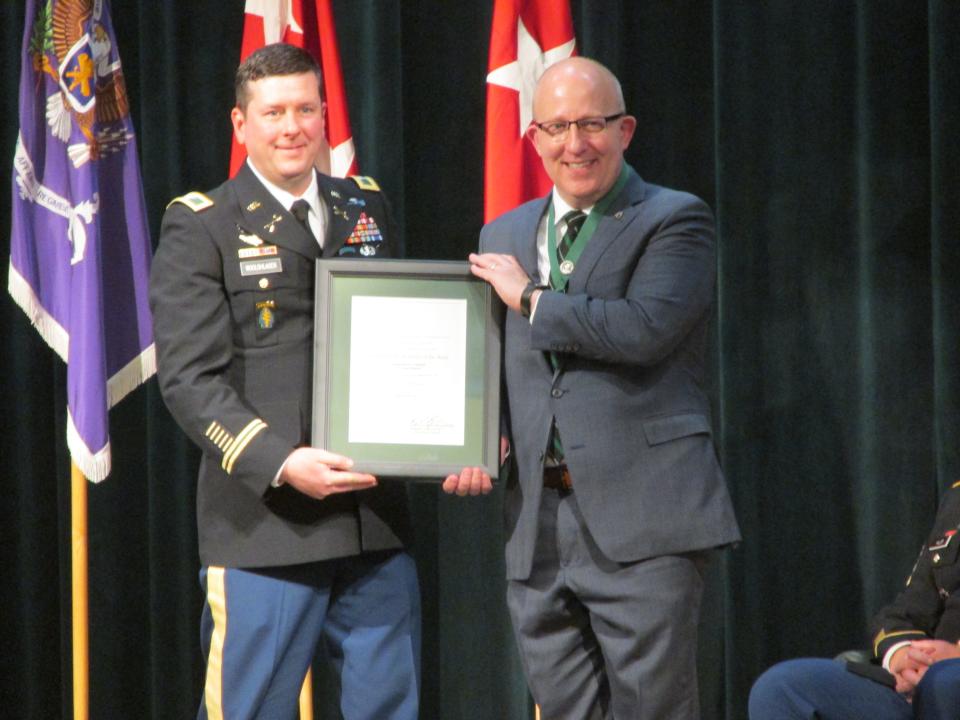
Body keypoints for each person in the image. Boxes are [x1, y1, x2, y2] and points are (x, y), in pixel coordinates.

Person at [443, 57, 741, 719]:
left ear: (625, 128)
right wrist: (471, 430)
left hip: (644, 521)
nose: (574, 144)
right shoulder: (506, 233)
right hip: (537, 525)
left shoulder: (674, 220)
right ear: (534, 137)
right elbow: (496, 360)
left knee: (654, 709)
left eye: (591, 124)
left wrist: (530, 297)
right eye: (556, 126)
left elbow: (643, 330)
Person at [150, 43, 434, 719]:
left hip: (372, 521)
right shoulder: (202, 224)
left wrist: (446, 436)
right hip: (265, 525)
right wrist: (280, 462)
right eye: (273, 112)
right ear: (240, 123)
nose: (291, 127)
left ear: (324, 114)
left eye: (305, 109)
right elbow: (189, 380)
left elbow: (401, 339)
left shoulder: (366, 204)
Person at [749, 481, 960, 720]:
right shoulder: (956, 500)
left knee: (946, 682)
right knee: (781, 688)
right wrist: (904, 656)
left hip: (948, 685)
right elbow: (902, 615)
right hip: (925, 688)